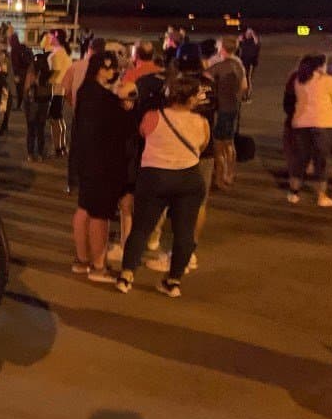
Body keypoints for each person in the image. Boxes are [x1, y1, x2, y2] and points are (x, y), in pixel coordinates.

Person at [117, 75, 210, 297]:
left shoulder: (152, 117)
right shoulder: (202, 123)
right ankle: (173, 281)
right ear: (191, 99)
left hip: (155, 176)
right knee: (184, 233)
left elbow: (142, 134)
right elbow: (203, 146)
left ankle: (127, 275)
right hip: (188, 178)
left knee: (141, 228)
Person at [70, 52, 136, 281]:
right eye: (109, 68)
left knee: (84, 210)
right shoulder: (103, 99)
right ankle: (99, 266)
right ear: (100, 68)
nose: (113, 72)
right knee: (100, 216)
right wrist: (126, 106)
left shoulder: (86, 93)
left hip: (86, 162)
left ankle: (81, 260)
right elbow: (123, 127)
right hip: (103, 166)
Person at [286, 53, 332, 206]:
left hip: (301, 123)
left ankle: (294, 192)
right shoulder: (327, 80)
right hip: (323, 123)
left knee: (301, 159)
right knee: (321, 161)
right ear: (320, 65)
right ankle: (321, 196)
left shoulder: (299, 80)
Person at [206, 35, 247, 189]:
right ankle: (230, 173)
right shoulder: (239, 64)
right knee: (229, 143)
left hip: (220, 109)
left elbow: (205, 80)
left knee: (218, 145)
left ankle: (219, 178)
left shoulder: (219, 64)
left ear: (222, 47)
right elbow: (244, 87)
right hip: (233, 107)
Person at [46, 29, 73, 157]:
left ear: (56, 38)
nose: (49, 39)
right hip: (62, 90)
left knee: (54, 119)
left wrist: (45, 81)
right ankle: (62, 146)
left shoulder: (58, 54)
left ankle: (57, 147)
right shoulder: (65, 53)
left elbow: (55, 73)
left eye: (51, 37)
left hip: (55, 89)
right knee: (59, 118)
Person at [23, 48, 53, 161]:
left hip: (32, 102)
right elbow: (51, 87)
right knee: (41, 129)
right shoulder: (49, 70)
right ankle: (40, 153)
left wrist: (25, 100)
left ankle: (30, 154)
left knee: (31, 129)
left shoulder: (33, 68)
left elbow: (27, 87)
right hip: (44, 102)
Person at [238, 26, 261, 102]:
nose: (248, 34)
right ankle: (243, 95)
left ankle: (247, 96)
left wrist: (253, 34)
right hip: (243, 63)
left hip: (251, 63)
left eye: (249, 33)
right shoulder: (244, 41)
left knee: (248, 79)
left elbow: (257, 43)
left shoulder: (254, 41)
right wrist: (241, 38)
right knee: (243, 79)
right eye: (247, 33)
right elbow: (238, 43)